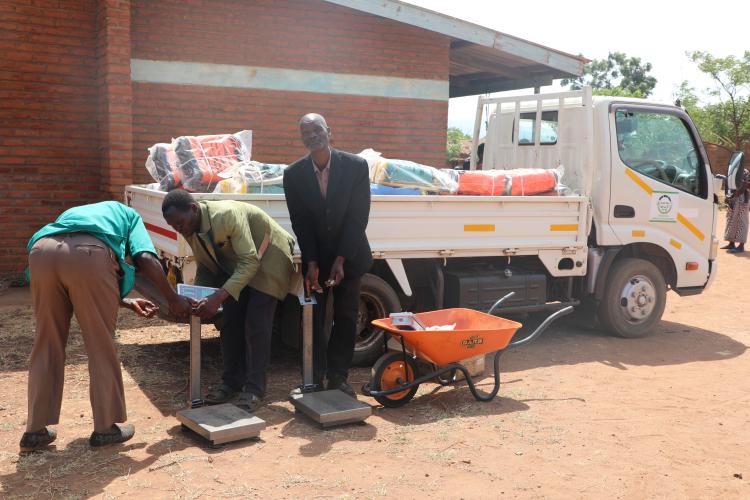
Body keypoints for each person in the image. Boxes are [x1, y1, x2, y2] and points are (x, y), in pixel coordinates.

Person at [20, 201, 192, 452]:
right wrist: (172, 298)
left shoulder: (75, 212)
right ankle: (105, 428)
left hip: (41, 252)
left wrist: (126, 301)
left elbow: (71, 273)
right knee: (100, 343)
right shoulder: (131, 216)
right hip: (89, 254)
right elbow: (144, 257)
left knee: (46, 341)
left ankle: (34, 431)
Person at [161, 190, 295, 411]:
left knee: (256, 324)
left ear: (193, 209)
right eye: (174, 226)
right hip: (241, 265)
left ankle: (254, 389)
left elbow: (251, 261)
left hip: (269, 259)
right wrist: (199, 295)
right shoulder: (189, 227)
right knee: (229, 320)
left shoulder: (226, 215)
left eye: (180, 223)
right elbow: (206, 265)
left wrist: (218, 296)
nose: (179, 229)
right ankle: (231, 382)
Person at [283, 113, 373, 398]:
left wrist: (341, 259)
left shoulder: (356, 166)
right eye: (305, 131)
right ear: (301, 137)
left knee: (346, 317)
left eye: (316, 129)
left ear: (328, 131)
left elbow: (358, 217)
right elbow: (300, 221)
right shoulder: (293, 174)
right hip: (316, 260)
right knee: (313, 317)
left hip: (351, 254)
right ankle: (314, 377)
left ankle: (338, 377)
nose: (312, 135)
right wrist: (311, 262)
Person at [722, 168, 750, 253]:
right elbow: (728, 185)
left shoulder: (744, 172)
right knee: (731, 220)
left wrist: (737, 193)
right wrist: (728, 196)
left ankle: (741, 246)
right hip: (733, 198)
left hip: (743, 200)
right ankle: (731, 243)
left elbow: (745, 185)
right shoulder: (731, 171)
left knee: (742, 222)